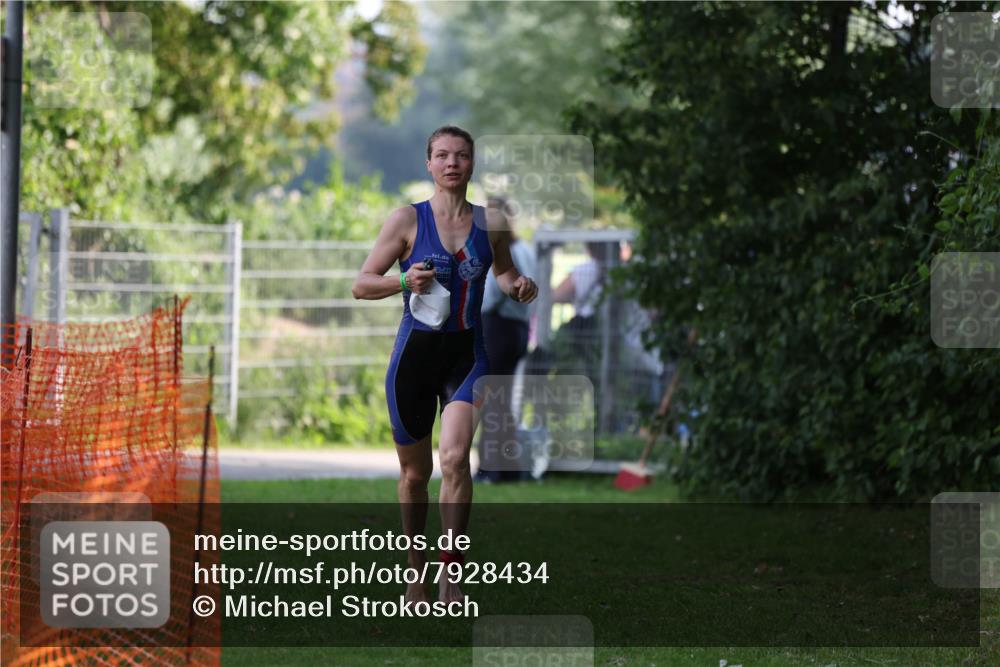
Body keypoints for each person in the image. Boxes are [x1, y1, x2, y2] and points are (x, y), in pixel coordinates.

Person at [351, 125, 538, 605]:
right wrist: (402, 281)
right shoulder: (406, 221)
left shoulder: (490, 222)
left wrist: (519, 284)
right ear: (429, 164)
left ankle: (449, 572)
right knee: (415, 476)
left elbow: (504, 269)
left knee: (455, 459)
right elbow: (361, 283)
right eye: (442, 155)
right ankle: (415, 572)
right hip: (414, 358)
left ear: (472, 164)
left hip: (466, 355)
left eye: (461, 155)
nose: (452, 163)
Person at [476, 195, 537, 482]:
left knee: (491, 400)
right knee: (502, 400)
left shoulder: (504, 252)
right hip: (518, 329)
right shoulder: (526, 248)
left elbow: (489, 297)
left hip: (497, 329)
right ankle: (509, 469)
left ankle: (492, 469)